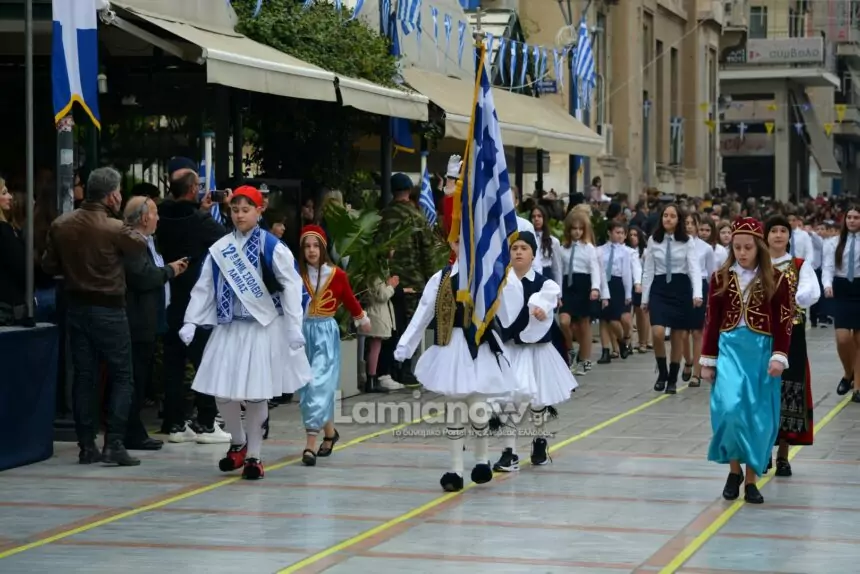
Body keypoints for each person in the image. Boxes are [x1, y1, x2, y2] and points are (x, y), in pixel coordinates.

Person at [179, 186, 310, 480]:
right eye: (235, 210)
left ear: (259, 211)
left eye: (246, 210)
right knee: (222, 393)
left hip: (262, 329)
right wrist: (191, 320)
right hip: (229, 328)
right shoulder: (221, 248)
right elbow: (205, 287)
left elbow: (291, 288)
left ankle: (254, 455)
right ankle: (237, 442)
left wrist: (293, 326)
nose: (239, 215)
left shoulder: (273, 247)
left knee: (255, 394)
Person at [394, 236, 523, 492]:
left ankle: (482, 460)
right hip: (451, 346)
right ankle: (455, 469)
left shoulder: (489, 274)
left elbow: (510, 310)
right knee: (454, 408)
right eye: (457, 241)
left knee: (478, 407)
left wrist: (501, 275)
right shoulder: (441, 278)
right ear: (451, 245)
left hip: (480, 347)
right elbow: (423, 312)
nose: (462, 246)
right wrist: (405, 346)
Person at [42, 167, 146, 466]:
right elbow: (139, 246)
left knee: (84, 376)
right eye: (119, 192)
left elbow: (48, 265)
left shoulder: (61, 224)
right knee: (122, 376)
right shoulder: (114, 228)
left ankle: (87, 446)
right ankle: (114, 442)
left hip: (76, 306)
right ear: (112, 196)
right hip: (110, 307)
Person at [700, 217, 793, 504]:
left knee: (757, 417)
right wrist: (708, 359)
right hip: (729, 349)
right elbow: (711, 320)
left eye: (748, 247)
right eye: (737, 247)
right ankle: (734, 470)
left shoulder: (776, 279)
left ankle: (751, 479)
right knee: (729, 410)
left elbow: (784, 321)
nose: (742, 253)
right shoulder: (720, 277)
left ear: (759, 247)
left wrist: (780, 355)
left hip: (762, 351)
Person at [156, 161, 232, 444]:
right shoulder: (200, 221)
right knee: (205, 360)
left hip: (169, 296)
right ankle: (206, 421)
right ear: (192, 190)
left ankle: (174, 423)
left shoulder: (160, 215)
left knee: (173, 363)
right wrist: (225, 210)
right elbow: (228, 242)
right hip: (197, 300)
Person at [492, 232, 576, 472]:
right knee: (509, 399)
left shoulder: (544, 283)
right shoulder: (502, 283)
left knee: (538, 402)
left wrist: (541, 309)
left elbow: (547, 300)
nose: (519, 252)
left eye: (524, 248)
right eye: (514, 248)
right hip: (511, 349)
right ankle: (509, 452)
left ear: (533, 254)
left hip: (537, 351)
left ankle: (539, 441)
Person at [297, 225, 371, 467]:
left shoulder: (336, 274)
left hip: (325, 333)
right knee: (309, 389)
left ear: (323, 248)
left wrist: (361, 318)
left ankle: (310, 444)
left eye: (315, 245)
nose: (311, 250)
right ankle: (330, 433)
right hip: (302, 333)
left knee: (317, 384)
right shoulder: (296, 275)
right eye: (307, 246)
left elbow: (349, 298)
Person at [122, 197, 188, 451]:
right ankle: (130, 431)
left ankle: (133, 429)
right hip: (138, 321)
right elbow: (143, 276)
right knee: (135, 378)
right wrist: (170, 271)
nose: (158, 218)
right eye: (155, 213)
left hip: (152, 320)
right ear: (144, 217)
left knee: (143, 376)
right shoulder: (132, 242)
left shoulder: (150, 241)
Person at [765, 215, 820, 476]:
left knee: (789, 389)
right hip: (761, 333)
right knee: (762, 391)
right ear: (765, 236)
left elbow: (811, 292)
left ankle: (783, 455)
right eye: (773, 230)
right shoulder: (757, 266)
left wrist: (796, 296)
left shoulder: (799, 265)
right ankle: (763, 450)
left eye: (783, 231)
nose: (778, 235)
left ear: (789, 236)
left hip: (791, 333)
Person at [377, 173, 437, 387]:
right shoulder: (416, 217)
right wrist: (433, 279)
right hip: (413, 279)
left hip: (388, 280)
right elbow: (427, 252)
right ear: (410, 191)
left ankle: (388, 369)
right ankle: (405, 369)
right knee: (412, 325)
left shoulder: (382, 216)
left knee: (391, 324)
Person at [641, 204, 703, 395]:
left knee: (679, 336)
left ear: (679, 220)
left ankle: (673, 377)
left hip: (681, 287)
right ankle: (662, 371)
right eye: (665, 215)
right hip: (660, 288)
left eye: (672, 216)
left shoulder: (687, 241)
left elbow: (694, 268)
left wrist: (697, 293)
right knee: (658, 332)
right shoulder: (653, 240)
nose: (668, 219)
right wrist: (645, 298)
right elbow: (648, 270)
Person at [557, 211, 602, 376]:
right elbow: (559, 271)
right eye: (574, 229)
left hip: (584, 285)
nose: (577, 232)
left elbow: (594, 268)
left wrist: (595, 288)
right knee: (564, 321)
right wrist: (558, 293)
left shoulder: (589, 248)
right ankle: (570, 349)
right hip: (568, 286)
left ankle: (585, 359)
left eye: (580, 229)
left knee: (584, 324)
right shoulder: (562, 249)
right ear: (568, 230)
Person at [822, 206, 860, 402]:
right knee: (843, 338)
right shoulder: (833, 242)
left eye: (856, 217)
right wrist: (827, 285)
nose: (852, 221)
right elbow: (828, 266)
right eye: (849, 217)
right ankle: (848, 373)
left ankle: (858, 388)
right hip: (842, 288)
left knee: (859, 340)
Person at [596, 221, 633, 365]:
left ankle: (622, 341)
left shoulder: (625, 252)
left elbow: (626, 273)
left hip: (617, 284)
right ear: (609, 233)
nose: (620, 235)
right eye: (617, 232)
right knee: (603, 319)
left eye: (622, 233)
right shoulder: (600, 250)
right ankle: (605, 350)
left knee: (614, 319)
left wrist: (628, 293)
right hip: (603, 283)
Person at [0, 179, 27, 326]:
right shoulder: (4, 231)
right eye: (4, 193)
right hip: (8, 305)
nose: (10, 197)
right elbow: (21, 267)